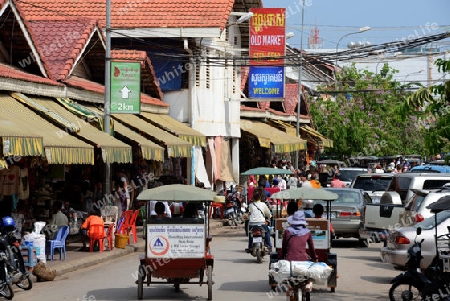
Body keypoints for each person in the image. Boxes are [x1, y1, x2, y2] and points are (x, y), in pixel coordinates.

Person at [246, 187, 272, 253]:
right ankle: (269, 246)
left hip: (252, 224)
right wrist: (269, 217)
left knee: (250, 235)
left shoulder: (251, 205)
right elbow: (268, 214)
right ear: (260, 197)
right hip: (261, 223)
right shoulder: (263, 205)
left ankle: (250, 247)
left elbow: (248, 213)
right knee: (267, 232)